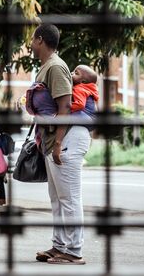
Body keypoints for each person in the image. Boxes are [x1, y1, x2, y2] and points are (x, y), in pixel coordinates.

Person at [29, 24, 92, 265]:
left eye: (33, 39)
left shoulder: (55, 66)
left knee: (70, 198)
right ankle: (59, 246)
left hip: (66, 139)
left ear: (41, 40)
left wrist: (56, 144)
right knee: (57, 198)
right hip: (55, 139)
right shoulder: (46, 67)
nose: (30, 44)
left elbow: (65, 106)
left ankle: (74, 251)